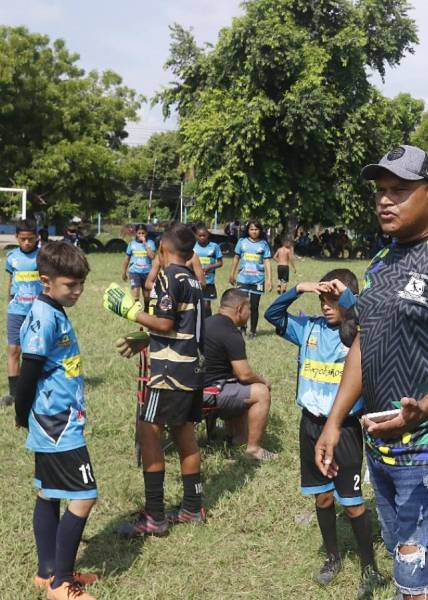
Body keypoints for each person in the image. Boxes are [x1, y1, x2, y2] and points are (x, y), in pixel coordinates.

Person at [315, 145, 428, 600]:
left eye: (399, 190)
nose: (385, 200)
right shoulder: (382, 262)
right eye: (381, 190)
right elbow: (364, 344)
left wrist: (424, 409)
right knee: (410, 564)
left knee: (419, 578)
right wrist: (334, 421)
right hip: (384, 440)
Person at [265, 269, 384, 596]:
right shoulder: (309, 329)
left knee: (353, 503)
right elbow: (272, 314)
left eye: (334, 300)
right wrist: (299, 288)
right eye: (322, 300)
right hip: (311, 425)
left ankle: (368, 566)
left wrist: (347, 296)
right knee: (323, 495)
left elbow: (369, 314)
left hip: (344, 428)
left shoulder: (360, 334)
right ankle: (332, 557)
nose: (327, 306)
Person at [103, 224, 206, 536]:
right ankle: (192, 507)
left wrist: (130, 311)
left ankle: (154, 517)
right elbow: (183, 327)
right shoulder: (194, 280)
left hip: (168, 375)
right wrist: (147, 339)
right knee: (184, 434)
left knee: (148, 432)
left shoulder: (168, 276)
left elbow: (164, 321)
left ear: (162, 249)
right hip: (191, 369)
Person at [14, 241, 98, 600]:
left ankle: (47, 570)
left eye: (80, 284)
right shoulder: (44, 316)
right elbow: (28, 369)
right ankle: (62, 584)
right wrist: (22, 413)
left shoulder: (52, 309)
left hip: (55, 418)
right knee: (84, 497)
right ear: (46, 281)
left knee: (48, 493)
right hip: (57, 425)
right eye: (70, 285)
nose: (77, 291)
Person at [203, 288, 273, 461]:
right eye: (249, 309)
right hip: (209, 394)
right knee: (260, 392)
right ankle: (254, 450)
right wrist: (263, 380)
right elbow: (244, 375)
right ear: (239, 308)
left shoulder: (205, 323)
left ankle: (236, 437)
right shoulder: (231, 333)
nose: (250, 313)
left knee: (239, 388)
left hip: (194, 388)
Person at [3, 219, 42, 407]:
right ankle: (14, 393)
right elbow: (11, 282)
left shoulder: (43, 256)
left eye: (31, 239)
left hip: (38, 311)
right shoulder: (11, 257)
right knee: (13, 349)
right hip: (16, 311)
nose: (27, 243)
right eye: (23, 239)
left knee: (37, 350)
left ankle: (39, 387)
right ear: (17, 237)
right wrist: (9, 302)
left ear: (37, 238)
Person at [229, 220, 272, 338]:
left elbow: (267, 261)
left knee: (254, 306)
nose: (254, 231)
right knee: (242, 305)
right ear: (248, 230)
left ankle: (253, 331)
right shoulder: (242, 242)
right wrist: (232, 274)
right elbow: (236, 258)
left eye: (256, 229)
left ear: (260, 231)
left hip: (258, 280)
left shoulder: (263, 244)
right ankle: (242, 328)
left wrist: (269, 279)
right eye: (252, 229)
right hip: (243, 279)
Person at [193, 223, 224, 315]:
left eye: (204, 235)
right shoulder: (193, 246)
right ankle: (195, 325)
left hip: (208, 281)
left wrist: (210, 267)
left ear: (208, 235)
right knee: (195, 304)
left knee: (206, 305)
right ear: (196, 236)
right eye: (200, 235)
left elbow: (220, 262)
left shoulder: (214, 246)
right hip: (195, 280)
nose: (202, 237)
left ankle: (207, 324)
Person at [122, 225, 156, 306]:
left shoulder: (150, 243)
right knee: (136, 290)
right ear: (136, 233)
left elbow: (152, 257)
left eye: (143, 233)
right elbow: (126, 259)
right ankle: (137, 309)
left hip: (147, 273)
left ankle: (146, 309)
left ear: (146, 233)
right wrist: (124, 272)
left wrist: (145, 243)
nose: (141, 235)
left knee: (147, 295)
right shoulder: (131, 244)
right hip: (134, 272)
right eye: (139, 233)